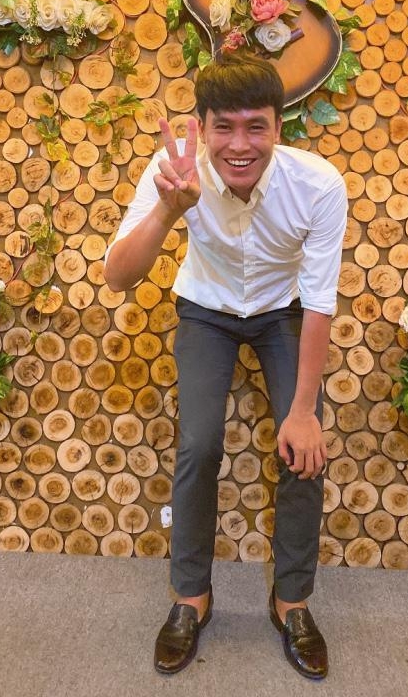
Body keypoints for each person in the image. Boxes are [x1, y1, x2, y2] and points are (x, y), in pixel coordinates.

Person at [104, 56, 347, 679]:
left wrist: (302, 413)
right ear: (202, 126)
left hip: (283, 310)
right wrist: (169, 210)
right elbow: (118, 276)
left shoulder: (318, 185)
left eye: (255, 127)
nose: (240, 145)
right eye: (225, 127)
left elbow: (320, 300)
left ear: (278, 127)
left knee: (304, 449)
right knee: (199, 444)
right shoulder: (171, 170)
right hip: (206, 308)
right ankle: (191, 597)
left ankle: (291, 601)